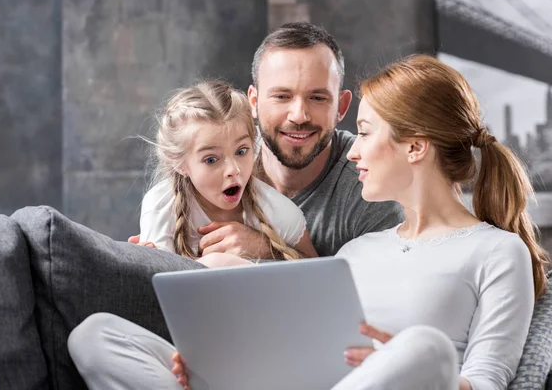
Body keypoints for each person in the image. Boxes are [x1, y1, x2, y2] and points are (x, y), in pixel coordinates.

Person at [169, 55, 549, 390]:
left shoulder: (497, 251)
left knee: (425, 348)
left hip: (425, 378)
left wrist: (395, 363)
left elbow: (488, 380)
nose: (352, 150)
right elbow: (304, 348)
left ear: (415, 147)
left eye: (365, 133)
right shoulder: (356, 253)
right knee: (111, 337)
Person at [131, 22, 404, 257]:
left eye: (317, 97)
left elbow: (382, 301)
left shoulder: (370, 188)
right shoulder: (202, 167)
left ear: (342, 107)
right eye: (281, 96)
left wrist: (266, 249)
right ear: (254, 102)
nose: (298, 115)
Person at [138, 79, 317, 264]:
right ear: (179, 163)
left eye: (241, 151)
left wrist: (265, 249)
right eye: (211, 160)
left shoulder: (278, 211)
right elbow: (158, 284)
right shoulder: (161, 204)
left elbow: (319, 276)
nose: (234, 169)